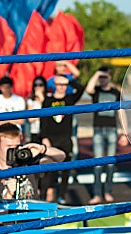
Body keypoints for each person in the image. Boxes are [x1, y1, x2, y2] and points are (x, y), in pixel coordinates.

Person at [85, 66, 129, 205]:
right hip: (98, 129)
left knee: (110, 164)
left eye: (105, 76)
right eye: (101, 77)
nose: (102, 79)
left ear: (109, 76)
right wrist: (97, 73)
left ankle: (108, 191)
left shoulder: (116, 93)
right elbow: (88, 89)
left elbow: (121, 112)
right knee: (97, 163)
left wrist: (124, 133)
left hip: (112, 130)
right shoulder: (96, 91)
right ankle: (97, 194)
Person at [40, 75, 84, 204]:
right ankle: (44, 196)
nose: (62, 87)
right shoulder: (47, 101)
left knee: (66, 169)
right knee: (49, 169)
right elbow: (43, 120)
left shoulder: (69, 99)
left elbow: (81, 89)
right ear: (54, 85)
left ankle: (62, 195)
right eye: (59, 84)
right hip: (51, 138)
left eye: (64, 85)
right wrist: (44, 138)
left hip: (65, 138)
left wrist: (69, 80)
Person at [0, 123, 65, 200]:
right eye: (9, 147)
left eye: (17, 146)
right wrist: (8, 195)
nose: (14, 151)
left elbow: (61, 158)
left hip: (34, 211)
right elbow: (1, 211)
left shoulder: (29, 164)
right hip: (13, 211)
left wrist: (42, 149)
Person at [27, 76, 47, 143]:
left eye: (40, 85)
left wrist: (41, 98)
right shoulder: (31, 100)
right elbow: (30, 119)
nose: (38, 87)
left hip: (47, 131)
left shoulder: (49, 98)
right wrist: (42, 115)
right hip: (35, 131)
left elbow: (48, 112)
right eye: (36, 85)